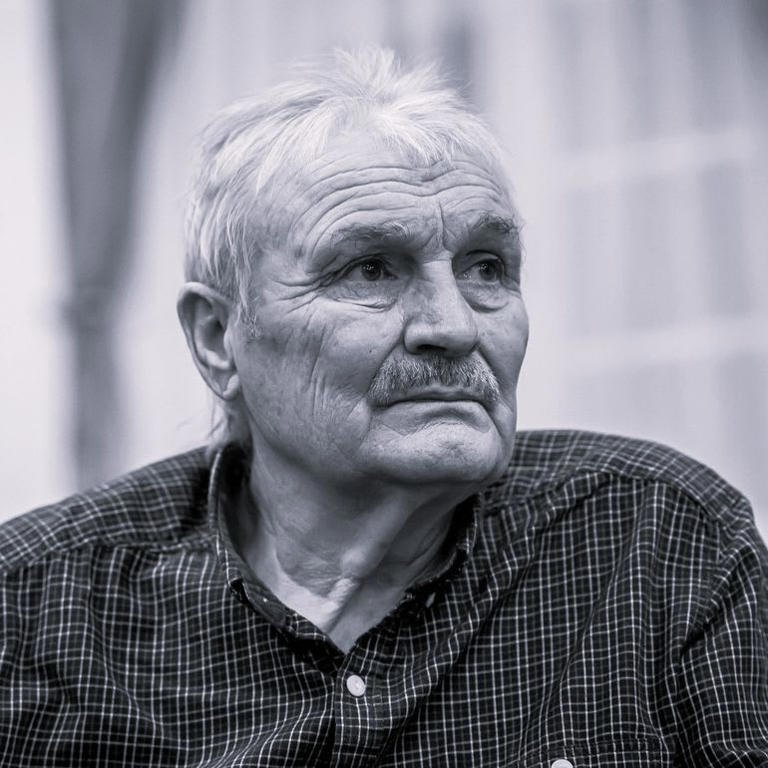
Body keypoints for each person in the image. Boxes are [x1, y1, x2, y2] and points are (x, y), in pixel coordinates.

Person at [1, 47, 767, 767]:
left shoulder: (659, 545)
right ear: (217, 339)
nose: (455, 327)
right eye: (371, 269)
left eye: (487, 268)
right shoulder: (34, 617)